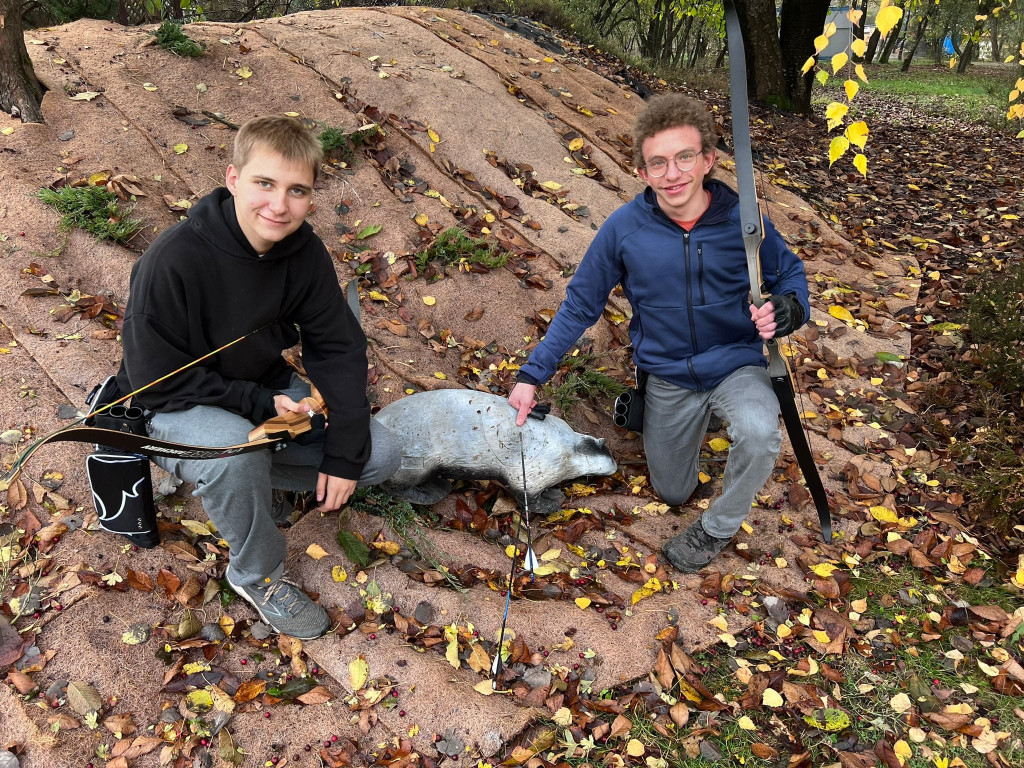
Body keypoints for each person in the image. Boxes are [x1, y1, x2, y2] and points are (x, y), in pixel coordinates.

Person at [117, 115, 400, 638]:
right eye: (264, 184)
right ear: (232, 179)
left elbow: (337, 348)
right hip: (172, 403)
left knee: (378, 454)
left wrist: (343, 451)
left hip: (262, 393)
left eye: (297, 190)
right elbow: (153, 381)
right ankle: (257, 574)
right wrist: (258, 403)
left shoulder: (305, 253)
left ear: (311, 197)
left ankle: (245, 482)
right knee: (233, 452)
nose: (279, 205)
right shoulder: (172, 259)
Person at [508, 94, 810, 574]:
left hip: (736, 363)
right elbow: (581, 305)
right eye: (658, 163)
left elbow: (791, 276)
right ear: (643, 172)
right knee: (672, 490)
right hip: (667, 372)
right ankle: (678, 415)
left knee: (757, 432)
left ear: (707, 159)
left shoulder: (744, 223)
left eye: (684, 157)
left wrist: (788, 310)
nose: (673, 174)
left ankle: (718, 527)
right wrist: (531, 376)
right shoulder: (624, 230)